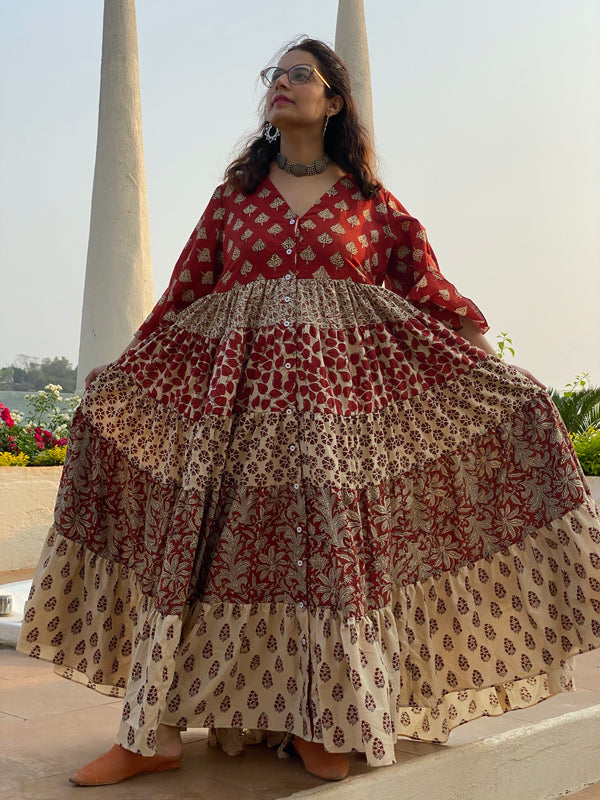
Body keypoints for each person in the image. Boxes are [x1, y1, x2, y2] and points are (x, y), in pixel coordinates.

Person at [17, 37, 600, 786]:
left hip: (335, 421)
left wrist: (495, 366)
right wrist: (125, 369)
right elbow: (183, 295)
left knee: (326, 559)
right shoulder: (235, 198)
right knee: (204, 558)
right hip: (236, 418)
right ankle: (151, 734)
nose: (282, 84)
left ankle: (321, 721)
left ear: (333, 101)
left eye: (301, 75)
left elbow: (429, 289)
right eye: (276, 75)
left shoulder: (368, 202)